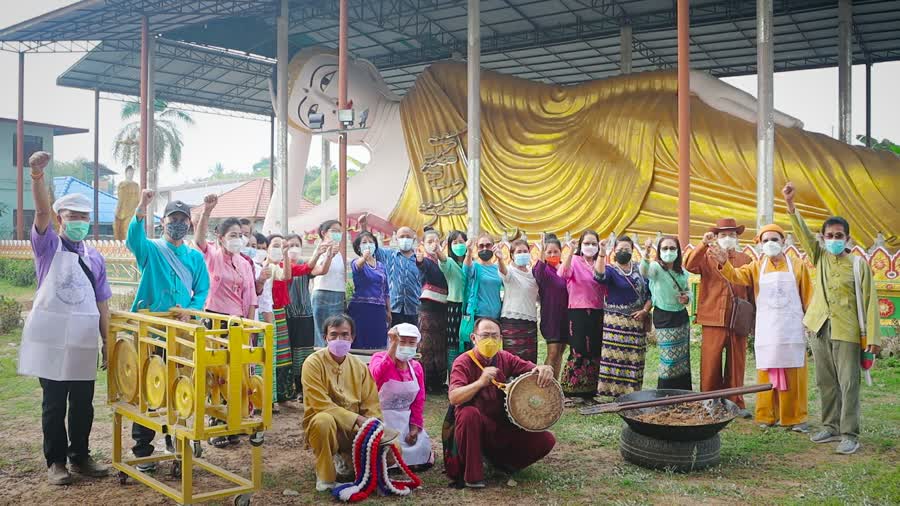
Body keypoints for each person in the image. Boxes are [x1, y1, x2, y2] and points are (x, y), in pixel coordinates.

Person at [19, 151, 111, 485]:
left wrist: (108, 341)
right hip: (52, 339)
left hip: (84, 341)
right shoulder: (47, 246)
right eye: (73, 216)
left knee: (83, 404)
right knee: (54, 403)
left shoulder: (95, 257)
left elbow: (103, 302)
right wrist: (37, 175)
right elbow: (42, 209)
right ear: (60, 219)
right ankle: (55, 462)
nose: (80, 222)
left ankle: (81, 456)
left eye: (85, 217)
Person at [784, 182, 882, 454]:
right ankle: (830, 426)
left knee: (849, 383)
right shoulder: (821, 257)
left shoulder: (859, 266)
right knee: (825, 380)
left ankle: (849, 433)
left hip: (848, 331)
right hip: (819, 327)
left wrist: (872, 337)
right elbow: (802, 234)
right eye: (830, 235)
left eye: (839, 235)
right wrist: (791, 205)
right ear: (823, 238)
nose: (835, 239)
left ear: (848, 239)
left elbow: (870, 301)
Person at [127, 189, 209, 470]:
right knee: (147, 388)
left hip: (182, 332)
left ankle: (178, 443)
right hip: (151, 330)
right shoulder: (150, 249)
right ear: (162, 222)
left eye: (182, 220)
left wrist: (192, 310)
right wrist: (142, 205)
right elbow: (132, 239)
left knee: (181, 386)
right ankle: (143, 451)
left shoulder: (195, 257)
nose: (178, 224)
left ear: (188, 223)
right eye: (172, 219)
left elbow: (202, 289)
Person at [711, 223, 813, 432]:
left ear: (784, 242)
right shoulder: (756, 267)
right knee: (767, 371)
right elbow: (736, 276)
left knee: (793, 371)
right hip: (768, 328)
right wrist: (724, 263)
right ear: (759, 244)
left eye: (774, 239)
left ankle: (795, 417)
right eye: (765, 240)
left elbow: (809, 297)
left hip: (791, 328)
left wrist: (811, 323)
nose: (770, 244)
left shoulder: (798, 265)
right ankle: (767, 415)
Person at [447, 318, 556, 488]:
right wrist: (480, 383)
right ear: (473, 338)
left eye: (494, 336)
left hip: (499, 425)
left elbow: (531, 368)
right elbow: (454, 397)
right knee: (469, 414)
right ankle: (473, 474)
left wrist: (544, 368)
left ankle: (502, 463)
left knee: (546, 440)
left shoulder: (504, 358)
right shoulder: (463, 362)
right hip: (473, 428)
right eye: (485, 336)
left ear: (500, 339)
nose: (490, 340)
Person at [301, 314, 388, 492]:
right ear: (325, 337)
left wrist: (373, 426)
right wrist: (356, 419)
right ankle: (325, 476)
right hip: (326, 427)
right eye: (333, 335)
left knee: (391, 448)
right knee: (323, 421)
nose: (339, 339)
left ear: (352, 337)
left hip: (355, 429)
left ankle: (347, 458)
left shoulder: (360, 367)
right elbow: (319, 404)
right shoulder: (312, 363)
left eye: (344, 334)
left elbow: (371, 404)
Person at [684, 219, 755, 417]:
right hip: (712, 317)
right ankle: (709, 401)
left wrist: (752, 319)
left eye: (731, 234)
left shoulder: (746, 259)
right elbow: (689, 265)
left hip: (738, 318)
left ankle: (735, 402)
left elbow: (751, 290)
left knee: (736, 362)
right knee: (711, 361)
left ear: (737, 237)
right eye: (723, 234)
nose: (727, 238)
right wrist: (703, 244)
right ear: (716, 237)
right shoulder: (706, 256)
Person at [368, 323, 434, 468]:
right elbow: (376, 376)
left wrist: (415, 427)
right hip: (381, 420)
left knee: (419, 447)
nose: (406, 346)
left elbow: (419, 400)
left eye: (411, 343)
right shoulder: (378, 358)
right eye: (401, 341)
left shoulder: (416, 367)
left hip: (405, 422)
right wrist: (393, 347)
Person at [594, 236, 652, 397]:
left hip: (637, 321)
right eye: (620, 249)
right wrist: (601, 253)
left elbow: (651, 293)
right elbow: (599, 277)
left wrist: (645, 311)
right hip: (615, 323)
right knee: (614, 357)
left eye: (627, 249)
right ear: (614, 251)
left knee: (633, 358)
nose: (623, 252)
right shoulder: (611, 270)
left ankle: (631, 392)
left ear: (632, 251)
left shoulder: (641, 269)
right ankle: (610, 392)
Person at [558, 230, 606, 401]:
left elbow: (606, 284)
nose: (590, 247)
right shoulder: (575, 261)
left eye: (594, 243)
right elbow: (563, 274)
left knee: (594, 349)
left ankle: (591, 389)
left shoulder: (601, 262)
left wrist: (603, 253)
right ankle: (572, 389)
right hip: (577, 311)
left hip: (597, 311)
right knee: (578, 349)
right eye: (587, 243)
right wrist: (570, 251)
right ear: (580, 245)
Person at [641, 236, 692, 391]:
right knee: (668, 358)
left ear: (678, 251)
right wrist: (646, 252)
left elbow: (688, 292)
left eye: (672, 248)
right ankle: (664, 392)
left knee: (683, 357)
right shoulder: (656, 268)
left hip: (681, 316)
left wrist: (687, 298)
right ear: (659, 251)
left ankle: (682, 391)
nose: (668, 251)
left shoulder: (682, 272)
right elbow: (644, 272)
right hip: (663, 316)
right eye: (664, 248)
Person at [194, 195, 258, 320]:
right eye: (233, 235)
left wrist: (250, 327)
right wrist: (206, 212)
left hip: (237, 318)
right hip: (213, 316)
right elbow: (199, 241)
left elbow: (251, 297)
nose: (237, 239)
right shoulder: (213, 256)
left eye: (240, 236)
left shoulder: (244, 264)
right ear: (221, 238)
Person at [359, 215, 423, 326]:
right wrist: (363, 226)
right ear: (397, 239)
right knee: (393, 338)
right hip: (393, 308)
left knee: (411, 339)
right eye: (402, 236)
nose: (405, 239)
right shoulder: (388, 255)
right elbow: (371, 247)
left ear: (413, 239)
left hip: (414, 308)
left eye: (408, 236)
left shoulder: (420, 259)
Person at [284, 234, 325, 396]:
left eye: (296, 244)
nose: (293, 248)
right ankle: (289, 388)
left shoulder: (304, 264)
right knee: (288, 352)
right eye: (290, 245)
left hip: (304, 313)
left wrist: (326, 255)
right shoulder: (280, 264)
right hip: (286, 313)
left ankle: (302, 387)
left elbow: (320, 270)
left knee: (304, 352)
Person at [416, 228, 450, 392]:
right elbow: (422, 266)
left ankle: (439, 382)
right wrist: (420, 260)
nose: (433, 245)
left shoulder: (445, 262)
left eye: (436, 241)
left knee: (440, 345)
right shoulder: (426, 261)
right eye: (429, 242)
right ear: (423, 244)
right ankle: (426, 381)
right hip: (428, 308)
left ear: (442, 243)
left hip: (444, 307)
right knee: (426, 345)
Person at [533, 234, 569, 377]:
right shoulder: (543, 269)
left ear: (561, 252)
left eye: (556, 251)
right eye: (549, 252)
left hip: (565, 317)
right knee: (552, 352)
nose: (553, 254)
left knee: (560, 351)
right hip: (551, 317)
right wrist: (541, 251)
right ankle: (545, 384)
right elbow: (538, 274)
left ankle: (555, 385)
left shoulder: (564, 269)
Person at [348, 231, 391, 349]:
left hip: (379, 309)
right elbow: (357, 266)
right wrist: (364, 257)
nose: (368, 245)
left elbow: (386, 290)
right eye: (364, 242)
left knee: (378, 340)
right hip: (361, 308)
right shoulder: (356, 262)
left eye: (371, 242)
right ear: (358, 247)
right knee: (360, 340)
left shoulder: (381, 266)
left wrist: (388, 310)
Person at [499, 239, 539, 363]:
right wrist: (500, 259)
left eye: (525, 251)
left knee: (530, 362)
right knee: (512, 361)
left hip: (530, 322)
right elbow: (503, 271)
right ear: (512, 255)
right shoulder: (510, 271)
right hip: (512, 322)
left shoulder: (533, 273)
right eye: (519, 251)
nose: (522, 254)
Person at [436, 230, 469, 370]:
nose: (459, 245)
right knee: (453, 342)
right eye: (455, 242)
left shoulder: (471, 263)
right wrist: (438, 250)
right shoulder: (449, 263)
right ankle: (454, 374)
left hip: (469, 307)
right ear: (450, 245)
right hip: (454, 307)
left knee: (468, 340)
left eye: (461, 242)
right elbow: (443, 260)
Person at [311, 220, 346, 346]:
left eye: (339, 231)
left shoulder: (338, 251)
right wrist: (328, 255)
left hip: (338, 293)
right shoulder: (321, 249)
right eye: (334, 231)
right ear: (324, 233)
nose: (338, 234)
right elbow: (317, 269)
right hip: (323, 293)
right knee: (322, 331)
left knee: (336, 329)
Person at [463, 233, 504, 324]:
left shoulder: (497, 268)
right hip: (477, 315)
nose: (485, 248)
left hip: (496, 316)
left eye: (488, 245)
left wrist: (500, 259)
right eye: (481, 246)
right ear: (477, 249)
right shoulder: (474, 266)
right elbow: (466, 270)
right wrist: (469, 252)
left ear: (493, 247)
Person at [113, 164, 140, 240]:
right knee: (120, 229)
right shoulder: (122, 184)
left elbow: (138, 199)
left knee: (129, 229)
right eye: (129, 173)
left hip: (132, 212)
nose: (131, 175)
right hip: (122, 210)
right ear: (126, 173)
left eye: (132, 173)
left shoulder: (136, 185)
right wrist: (117, 210)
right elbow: (120, 198)